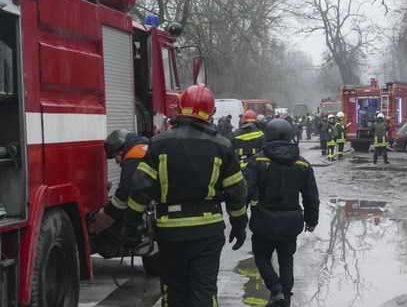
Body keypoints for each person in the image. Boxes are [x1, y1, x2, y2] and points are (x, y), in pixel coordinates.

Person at [125, 84, 248, 307]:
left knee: (174, 293)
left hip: (170, 232)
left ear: (180, 109)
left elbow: (139, 188)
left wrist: (132, 225)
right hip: (208, 233)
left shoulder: (158, 143)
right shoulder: (222, 146)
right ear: (211, 113)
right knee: (204, 293)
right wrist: (239, 223)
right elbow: (236, 191)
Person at [245, 118, 320, 307]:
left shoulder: (257, 161)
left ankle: (275, 289)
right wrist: (312, 220)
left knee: (262, 257)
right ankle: (285, 297)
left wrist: (238, 216)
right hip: (291, 223)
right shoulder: (303, 164)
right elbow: (311, 196)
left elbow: (246, 191)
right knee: (286, 260)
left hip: (263, 221)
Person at [90, 130, 149, 245]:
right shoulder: (144, 145)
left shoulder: (133, 156)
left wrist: (106, 214)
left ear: (120, 151)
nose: (117, 162)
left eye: (114, 157)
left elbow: (124, 193)